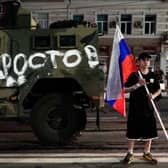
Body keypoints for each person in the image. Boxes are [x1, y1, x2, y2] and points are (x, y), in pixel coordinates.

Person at [123, 52, 161, 164]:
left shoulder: (153, 75)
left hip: (148, 108)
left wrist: (153, 96)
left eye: (148, 60)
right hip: (135, 108)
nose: (146, 62)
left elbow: (158, 90)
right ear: (138, 62)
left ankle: (147, 152)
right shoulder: (134, 75)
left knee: (149, 130)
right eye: (143, 60)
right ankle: (130, 153)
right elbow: (124, 90)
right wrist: (137, 85)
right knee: (132, 130)